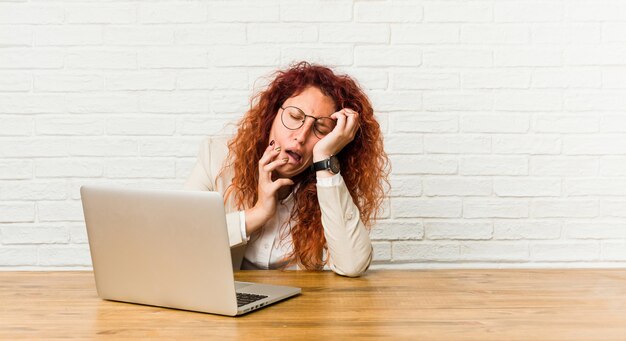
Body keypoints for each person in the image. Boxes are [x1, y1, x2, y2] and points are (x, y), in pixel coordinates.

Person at [183, 61, 389, 277]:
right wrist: (258, 213)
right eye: (294, 117)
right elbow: (180, 235)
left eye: (320, 129)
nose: (300, 136)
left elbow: (353, 265)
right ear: (271, 115)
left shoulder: (329, 179)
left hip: (300, 306)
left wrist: (324, 160)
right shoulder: (216, 157)